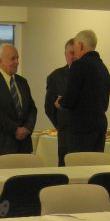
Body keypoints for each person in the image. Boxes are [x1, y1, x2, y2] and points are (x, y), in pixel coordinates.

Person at [0, 43, 37, 169]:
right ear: (1, 61)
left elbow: (32, 109)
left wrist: (27, 128)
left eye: (17, 58)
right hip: (1, 147)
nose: (17, 62)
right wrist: (15, 129)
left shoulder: (22, 82)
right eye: (13, 58)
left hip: (24, 146)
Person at [60, 29, 110, 154]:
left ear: (80, 45)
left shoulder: (79, 66)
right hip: (99, 125)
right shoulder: (103, 68)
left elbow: (70, 99)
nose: (74, 51)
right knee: (96, 163)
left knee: (80, 164)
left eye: (75, 46)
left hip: (81, 129)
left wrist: (60, 101)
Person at [44, 38, 75, 167]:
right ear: (65, 54)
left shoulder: (89, 75)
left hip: (85, 134)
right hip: (65, 135)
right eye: (70, 53)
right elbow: (49, 107)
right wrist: (61, 125)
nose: (73, 57)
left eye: (75, 53)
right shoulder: (55, 77)